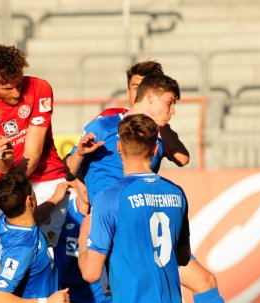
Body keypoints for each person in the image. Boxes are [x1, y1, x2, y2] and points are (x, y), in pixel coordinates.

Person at [65, 72, 224, 303]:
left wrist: (163, 127)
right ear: (149, 97)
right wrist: (79, 162)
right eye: (169, 103)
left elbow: (183, 158)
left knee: (204, 281)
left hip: (143, 216)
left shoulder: (158, 136)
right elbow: (69, 168)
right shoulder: (104, 125)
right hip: (111, 223)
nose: (173, 111)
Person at [0, 44, 69, 290]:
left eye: (19, 82)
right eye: (8, 88)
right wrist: (3, 159)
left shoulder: (40, 87)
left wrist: (2, 182)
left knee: (46, 265)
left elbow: (33, 153)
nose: (18, 93)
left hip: (46, 179)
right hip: (6, 189)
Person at [78, 114, 191, 303]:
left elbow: (91, 273)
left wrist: (83, 240)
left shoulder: (109, 198)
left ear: (119, 147)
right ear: (155, 149)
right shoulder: (177, 193)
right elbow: (183, 257)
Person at [0, 172, 71, 303]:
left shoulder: (5, 219)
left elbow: (31, 216)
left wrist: (55, 199)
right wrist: (47, 302)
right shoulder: (22, 249)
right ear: (30, 200)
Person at [97, 60, 189, 167]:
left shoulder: (161, 128)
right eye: (136, 88)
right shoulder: (108, 117)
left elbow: (183, 159)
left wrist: (160, 126)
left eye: (144, 87)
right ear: (128, 93)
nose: (141, 92)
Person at [53, 178, 111, 303]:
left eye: (90, 180)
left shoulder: (109, 213)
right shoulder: (62, 213)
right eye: (84, 181)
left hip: (103, 298)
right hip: (69, 295)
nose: (88, 186)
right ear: (74, 183)